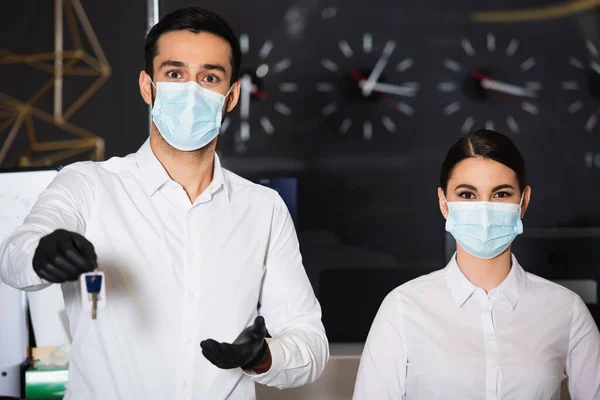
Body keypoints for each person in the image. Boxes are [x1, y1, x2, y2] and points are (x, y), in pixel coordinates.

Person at [0, 6, 328, 399]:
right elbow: (13, 258)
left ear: (231, 95)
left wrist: (262, 357)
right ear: (147, 86)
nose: (191, 91)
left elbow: (310, 340)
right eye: (175, 74)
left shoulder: (263, 208)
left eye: (209, 77)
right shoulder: (88, 184)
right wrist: (41, 253)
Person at [353, 129, 600, 400]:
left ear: (524, 201)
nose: (484, 210)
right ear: (444, 203)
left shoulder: (566, 310)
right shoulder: (402, 308)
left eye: (501, 194)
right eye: (468, 195)